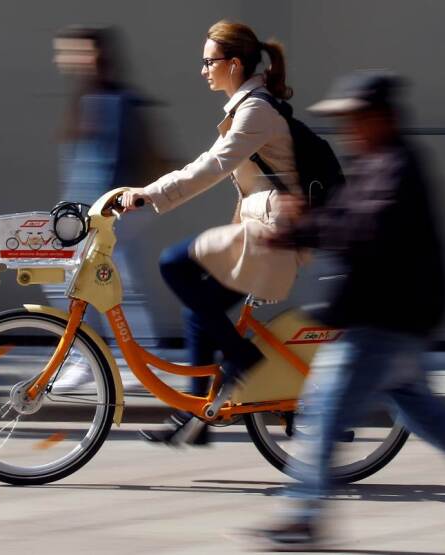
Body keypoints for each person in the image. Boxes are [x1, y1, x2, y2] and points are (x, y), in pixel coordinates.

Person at [246, 71, 445, 550]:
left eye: (353, 119)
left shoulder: (398, 168)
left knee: (321, 407)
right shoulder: (378, 163)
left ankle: (303, 515)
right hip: (400, 321)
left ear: (380, 118)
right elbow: (344, 218)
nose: (348, 129)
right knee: (426, 416)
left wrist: (304, 228)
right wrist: (296, 231)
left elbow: (366, 230)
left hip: (384, 322)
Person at [120, 20, 303, 445]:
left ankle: (243, 359)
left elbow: (211, 167)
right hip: (264, 232)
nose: (203, 69)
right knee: (198, 309)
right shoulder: (249, 107)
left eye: (209, 62)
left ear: (234, 64)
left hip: (272, 236)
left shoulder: (256, 111)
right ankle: (196, 418)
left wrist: (148, 193)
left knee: (173, 263)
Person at [47, 26, 160, 391]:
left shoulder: (115, 100)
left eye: (69, 51)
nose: (62, 59)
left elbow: (110, 162)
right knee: (81, 281)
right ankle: (109, 359)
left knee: (97, 281)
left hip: (109, 207)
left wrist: (103, 211)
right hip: (88, 208)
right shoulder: (89, 98)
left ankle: (115, 360)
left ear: (93, 55)